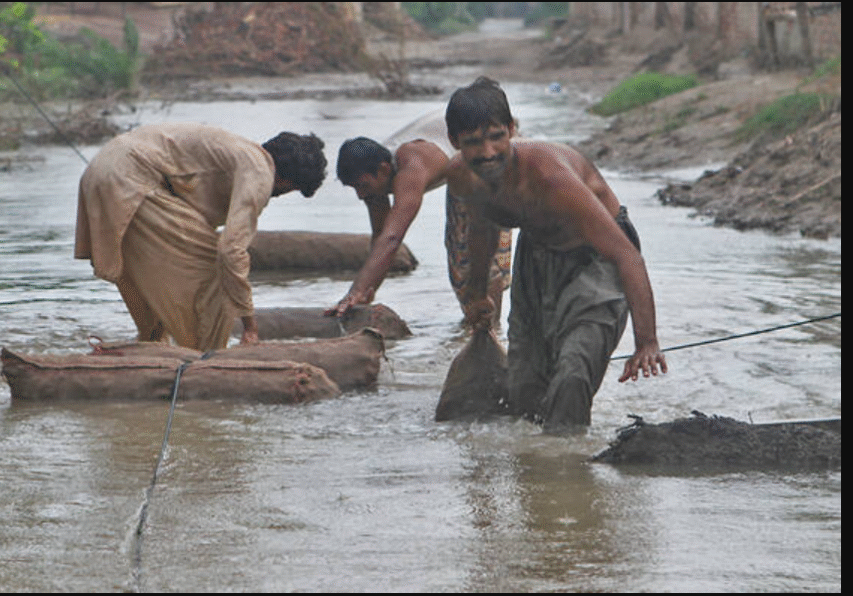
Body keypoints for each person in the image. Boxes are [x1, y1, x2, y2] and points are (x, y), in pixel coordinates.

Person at [445, 77, 667, 434]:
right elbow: (482, 228)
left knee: (573, 371)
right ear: (455, 142)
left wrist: (647, 341)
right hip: (536, 254)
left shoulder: (550, 177)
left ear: (512, 130)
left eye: (496, 137)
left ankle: (567, 465)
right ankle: (538, 473)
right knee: (524, 387)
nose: (487, 152)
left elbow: (627, 257)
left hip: (597, 258)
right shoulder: (460, 177)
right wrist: (476, 293)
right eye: (473, 143)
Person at [75, 122, 327, 351]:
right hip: (130, 178)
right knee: (212, 268)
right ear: (283, 179)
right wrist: (250, 326)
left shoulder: (239, 154)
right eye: (286, 191)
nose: (277, 196)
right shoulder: (260, 171)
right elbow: (230, 251)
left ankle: (151, 350)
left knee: (156, 276)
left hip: (105, 169)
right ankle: (208, 357)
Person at [328, 116, 512, 327]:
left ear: (384, 170)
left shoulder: (411, 166)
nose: (360, 195)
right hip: (458, 167)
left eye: (362, 186)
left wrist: (356, 291)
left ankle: (490, 330)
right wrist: (364, 295)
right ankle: (474, 326)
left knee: (477, 256)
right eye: (355, 189)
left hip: (486, 159)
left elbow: (393, 237)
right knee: (458, 266)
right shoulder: (374, 179)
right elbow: (380, 238)